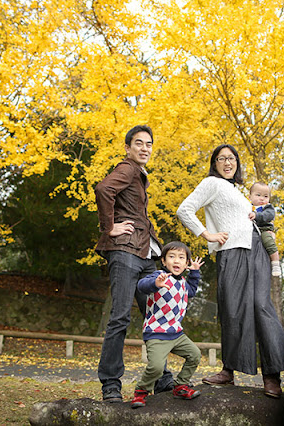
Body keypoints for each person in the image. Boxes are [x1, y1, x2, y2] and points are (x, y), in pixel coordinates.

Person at [176, 144, 284, 398]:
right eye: (221, 159)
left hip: (257, 249)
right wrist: (208, 235)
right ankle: (229, 371)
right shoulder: (211, 183)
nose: (227, 162)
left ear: (237, 163)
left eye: (231, 158)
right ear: (214, 163)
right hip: (231, 252)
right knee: (232, 309)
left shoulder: (237, 190)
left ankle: (272, 376)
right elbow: (184, 209)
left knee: (262, 306)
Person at [94, 124, 173, 403]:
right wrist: (109, 227)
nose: (144, 148)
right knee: (120, 318)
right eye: (138, 143)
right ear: (128, 148)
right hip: (125, 252)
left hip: (144, 255)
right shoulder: (127, 168)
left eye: (149, 144)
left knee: (155, 317)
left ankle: (162, 378)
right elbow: (104, 189)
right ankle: (111, 385)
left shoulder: (139, 175)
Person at [131, 241, 204, 409]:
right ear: (163, 261)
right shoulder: (158, 276)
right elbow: (141, 286)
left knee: (195, 355)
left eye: (181, 258)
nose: (176, 261)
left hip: (176, 333)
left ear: (186, 264)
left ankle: (180, 386)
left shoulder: (184, 283)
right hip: (156, 332)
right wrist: (156, 284)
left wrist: (194, 273)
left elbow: (191, 291)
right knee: (156, 368)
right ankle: (141, 391)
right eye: (171, 257)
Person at [248, 182, 281, 276]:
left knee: (267, 240)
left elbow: (268, 215)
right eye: (258, 195)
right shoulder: (247, 207)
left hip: (264, 229)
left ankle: (275, 262)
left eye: (266, 196)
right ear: (250, 196)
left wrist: (256, 215)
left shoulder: (267, 207)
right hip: (252, 231)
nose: (262, 198)